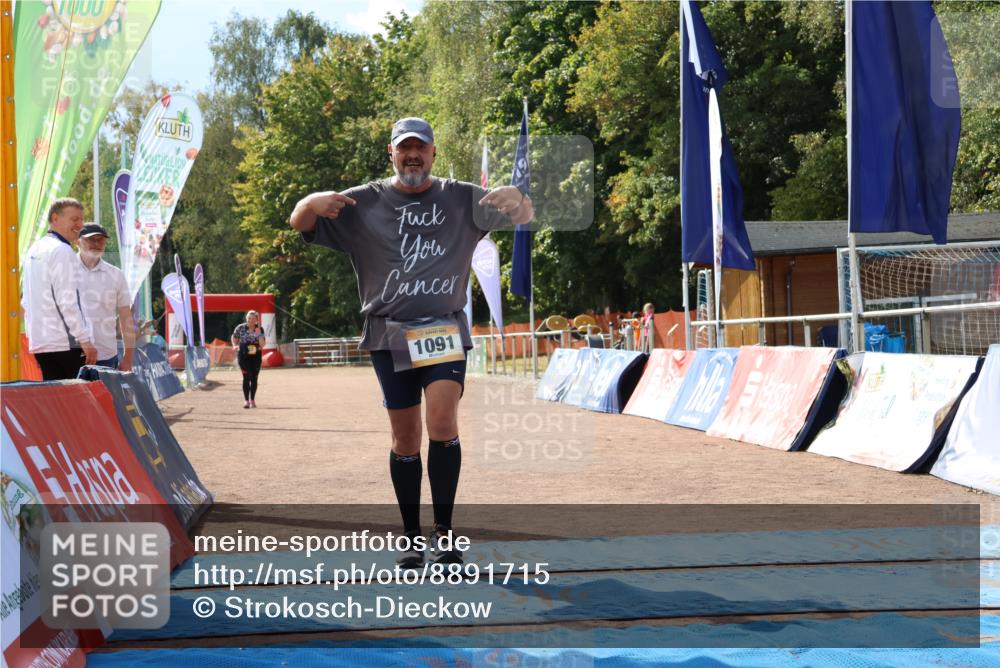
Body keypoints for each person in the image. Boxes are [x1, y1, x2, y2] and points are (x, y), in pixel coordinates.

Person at [289, 117, 533, 567]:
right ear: (392, 153)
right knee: (405, 438)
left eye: (421, 147)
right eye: (405, 148)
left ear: (434, 153)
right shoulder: (363, 202)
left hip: (442, 327)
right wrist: (310, 200)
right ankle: (411, 537)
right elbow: (299, 222)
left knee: (442, 420)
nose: (413, 155)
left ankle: (444, 533)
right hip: (389, 335)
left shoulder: (462, 197)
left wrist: (518, 198)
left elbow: (526, 216)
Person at [21, 198, 97, 380]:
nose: (80, 225)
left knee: (58, 404)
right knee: (80, 403)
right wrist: (84, 340)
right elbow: (68, 302)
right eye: (74, 219)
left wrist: (34, 335)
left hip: (41, 343)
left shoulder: (33, 249)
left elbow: (26, 300)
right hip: (66, 343)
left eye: (82, 219)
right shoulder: (62, 250)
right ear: (55, 218)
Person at [77, 223, 135, 370]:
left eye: (101, 240)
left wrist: (128, 358)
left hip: (106, 357)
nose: (96, 244)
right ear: (78, 241)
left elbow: (126, 318)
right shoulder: (64, 270)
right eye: (91, 239)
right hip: (70, 355)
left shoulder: (116, 275)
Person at [231, 310, 265, 409]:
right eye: (249, 318)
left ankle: (252, 400)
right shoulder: (240, 328)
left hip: (256, 356)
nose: (250, 320)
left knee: (254, 378)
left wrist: (259, 334)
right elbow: (234, 337)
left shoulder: (260, 329)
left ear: (256, 320)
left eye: (253, 318)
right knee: (247, 376)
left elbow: (262, 345)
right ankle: (246, 401)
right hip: (243, 356)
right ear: (246, 319)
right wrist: (235, 345)